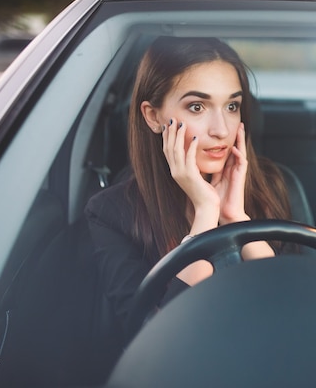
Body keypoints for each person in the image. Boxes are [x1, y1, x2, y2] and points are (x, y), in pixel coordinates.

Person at [84, 36, 292, 348]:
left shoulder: (271, 184)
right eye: (197, 106)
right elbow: (155, 338)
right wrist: (205, 213)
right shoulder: (110, 213)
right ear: (153, 117)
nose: (221, 129)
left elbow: (297, 310)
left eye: (232, 106)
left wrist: (236, 218)